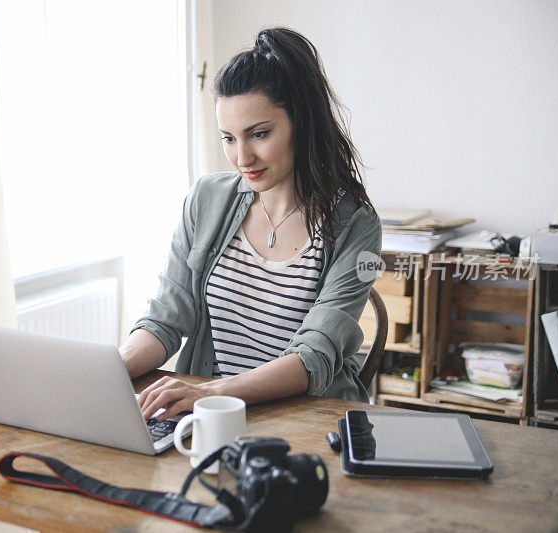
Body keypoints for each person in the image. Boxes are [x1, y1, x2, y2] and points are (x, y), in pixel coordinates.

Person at [123, 27, 381, 421]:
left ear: (301, 123)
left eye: (259, 134)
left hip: (307, 422)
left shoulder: (357, 225)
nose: (242, 157)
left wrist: (209, 393)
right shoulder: (207, 200)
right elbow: (165, 319)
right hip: (210, 418)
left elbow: (315, 355)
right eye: (228, 138)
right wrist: (105, 372)